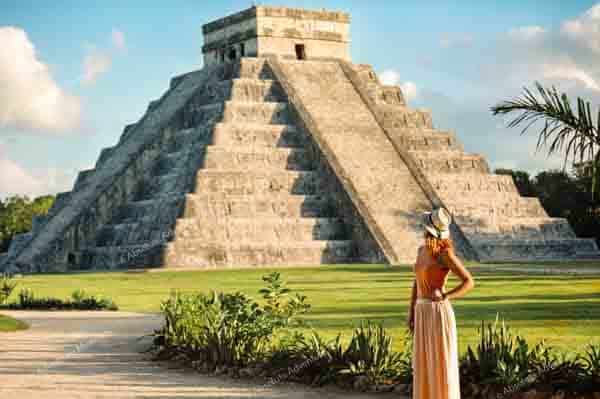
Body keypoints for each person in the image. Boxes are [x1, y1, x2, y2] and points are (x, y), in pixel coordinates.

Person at [407, 207, 475, 399]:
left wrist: (447, 296)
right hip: (422, 312)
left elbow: (469, 281)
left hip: (438, 313)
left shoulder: (445, 254)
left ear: (428, 229)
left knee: (440, 362)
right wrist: (411, 313)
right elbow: (416, 282)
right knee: (424, 364)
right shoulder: (422, 251)